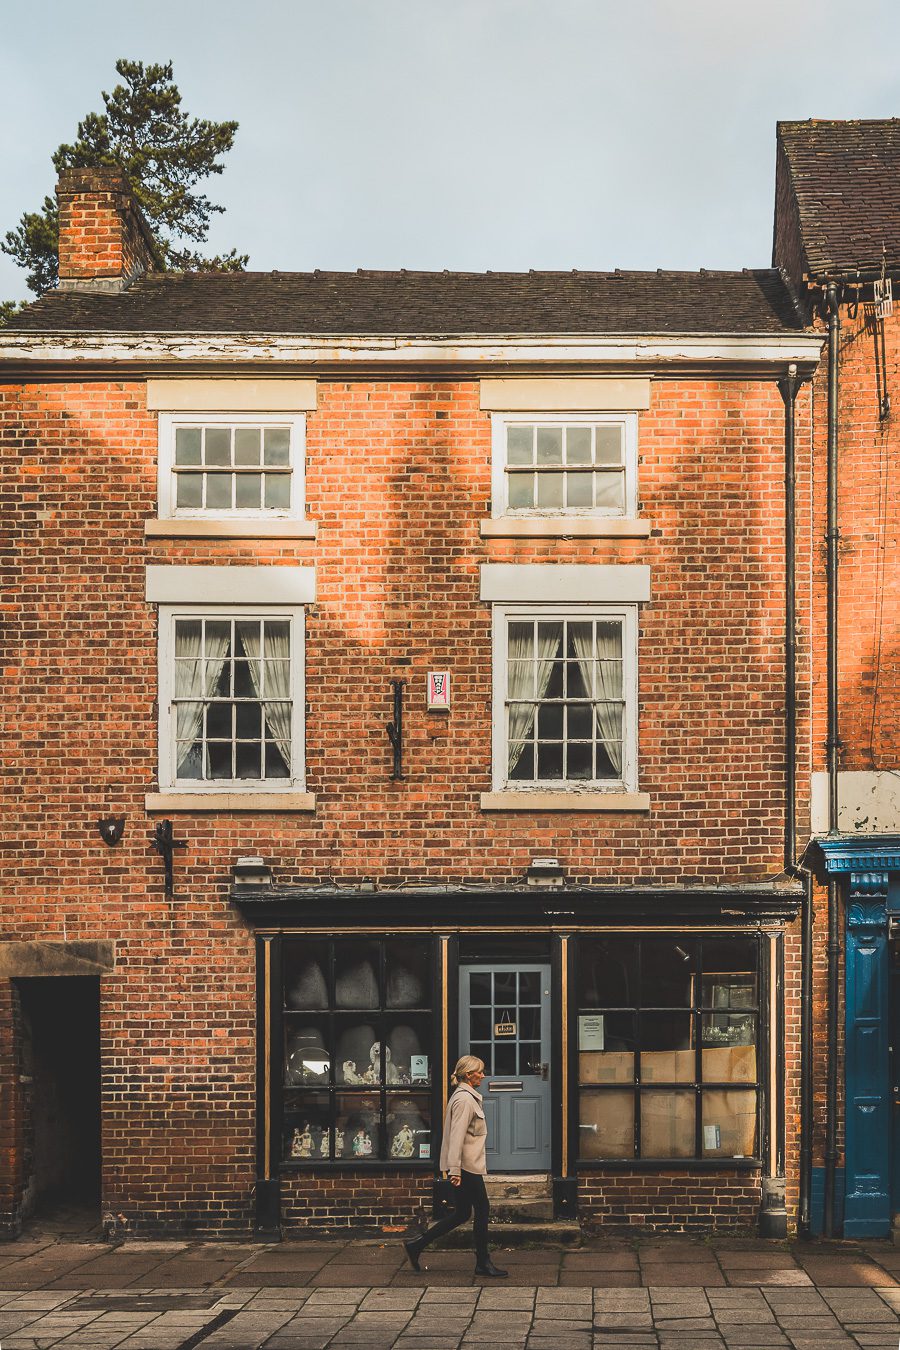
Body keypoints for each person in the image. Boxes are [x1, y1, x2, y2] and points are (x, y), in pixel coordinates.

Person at [402, 1055, 507, 1278]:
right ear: (468, 1075)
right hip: (465, 1167)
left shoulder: (466, 1096)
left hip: (465, 1165)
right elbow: (456, 1137)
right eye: (480, 1071)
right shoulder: (464, 1100)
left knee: (461, 1214)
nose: (483, 1075)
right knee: (482, 1209)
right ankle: (483, 1262)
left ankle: (417, 1245)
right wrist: (455, 1170)